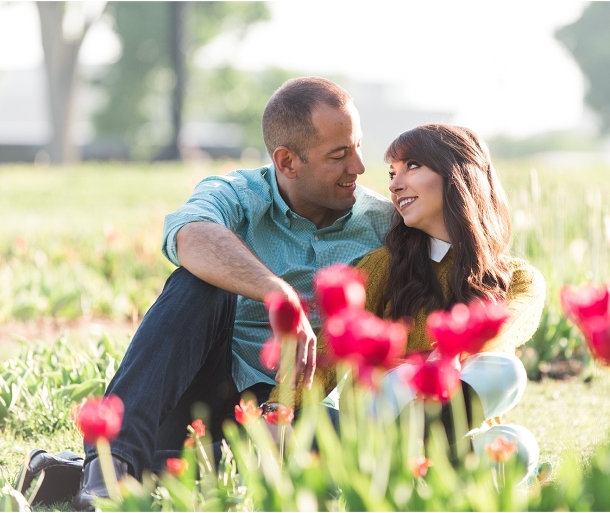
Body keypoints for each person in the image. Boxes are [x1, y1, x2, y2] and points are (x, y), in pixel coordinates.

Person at [63, 77, 395, 510]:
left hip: (290, 412)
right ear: (287, 161)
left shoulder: (381, 224)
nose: (359, 166)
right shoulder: (238, 193)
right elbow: (190, 234)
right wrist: (278, 295)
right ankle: (111, 464)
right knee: (198, 281)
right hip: (201, 394)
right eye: (339, 155)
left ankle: (99, 474)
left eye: (358, 146)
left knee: (353, 450)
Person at [271, 124, 545, 481]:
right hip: (378, 413)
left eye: (412, 166)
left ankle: (414, 466)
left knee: (517, 434)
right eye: (392, 173)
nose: (395, 185)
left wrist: (448, 357)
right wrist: (279, 409)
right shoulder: (385, 265)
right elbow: (328, 352)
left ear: (458, 174)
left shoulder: (518, 279)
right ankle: (403, 459)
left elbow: (505, 328)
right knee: (406, 375)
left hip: (454, 424)